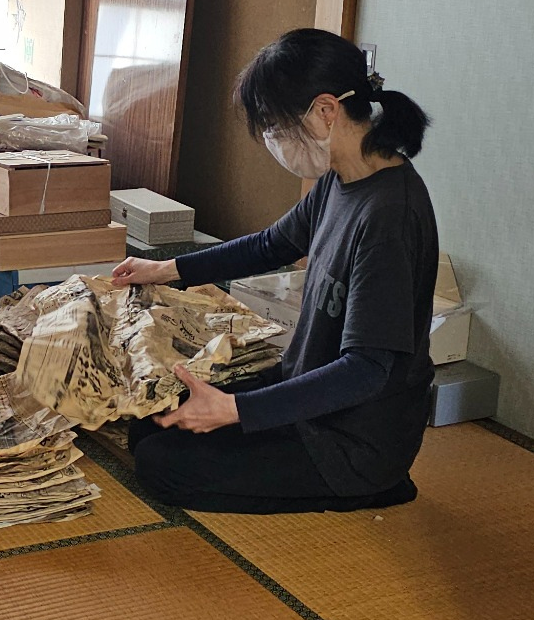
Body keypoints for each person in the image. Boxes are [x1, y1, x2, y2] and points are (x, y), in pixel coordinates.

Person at [113, 28, 438, 513]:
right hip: (307, 395)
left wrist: (234, 410)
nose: (273, 141)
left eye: (277, 127)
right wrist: (164, 269)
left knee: (163, 465)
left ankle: (373, 487)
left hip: (350, 442)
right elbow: (272, 245)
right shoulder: (339, 180)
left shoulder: (389, 215)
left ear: (326, 111)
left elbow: (368, 371)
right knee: (151, 424)